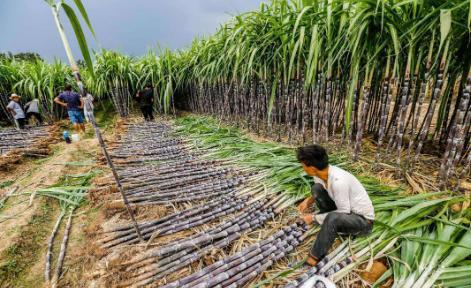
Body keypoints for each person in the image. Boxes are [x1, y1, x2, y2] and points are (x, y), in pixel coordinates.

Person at [296, 145, 374, 266]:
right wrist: (308, 201)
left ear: (312, 168)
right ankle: (326, 220)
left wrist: (313, 218)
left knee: (333, 218)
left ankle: (314, 257)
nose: (303, 168)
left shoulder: (338, 181)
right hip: (344, 210)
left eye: (303, 165)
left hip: (362, 221)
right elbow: (320, 188)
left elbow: (344, 212)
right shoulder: (320, 174)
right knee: (316, 188)